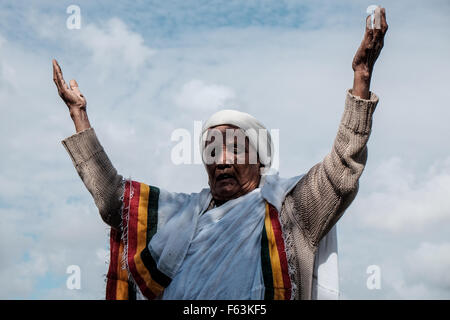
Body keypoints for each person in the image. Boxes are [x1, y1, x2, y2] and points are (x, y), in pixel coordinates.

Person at [53, 9, 388, 300]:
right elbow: (114, 201)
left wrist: (361, 77)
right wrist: (79, 116)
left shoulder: (290, 212)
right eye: (212, 150)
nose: (222, 160)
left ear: (259, 159)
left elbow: (341, 172)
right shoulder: (178, 216)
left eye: (235, 149)